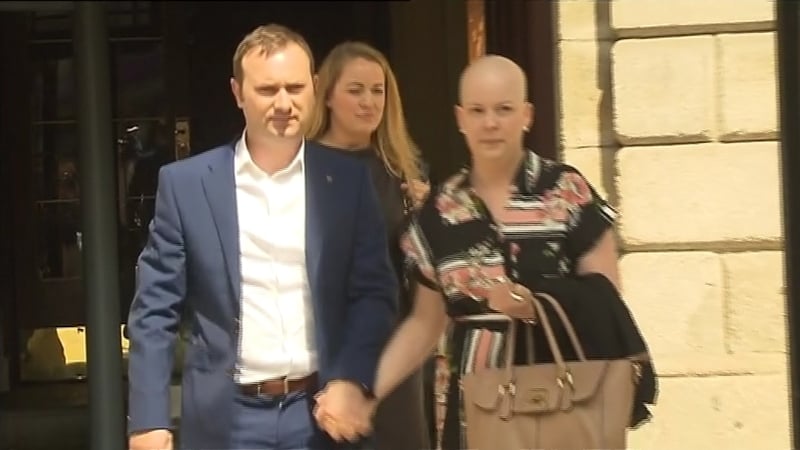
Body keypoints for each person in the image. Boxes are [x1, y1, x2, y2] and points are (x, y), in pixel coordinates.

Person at [314, 54, 656, 449]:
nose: (490, 122)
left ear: (526, 115)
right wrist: (366, 393)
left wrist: (537, 304)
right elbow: (424, 325)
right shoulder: (440, 210)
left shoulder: (565, 192)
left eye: (504, 110)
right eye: (477, 111)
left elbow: (607, 297)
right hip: (475, 414)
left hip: (566, 407)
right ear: (460, 119)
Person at [126, 24, 398, 450]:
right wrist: (147, 419)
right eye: (268, 90)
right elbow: (154, 310)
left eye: (294, 87)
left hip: (320, 411)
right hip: (227, 418)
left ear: (314, 87)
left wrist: (352, 377)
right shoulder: (187, 185)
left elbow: (375, 293)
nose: (284, 103)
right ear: (238, 93)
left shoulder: (348, 182)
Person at [306, 41, 434, 450]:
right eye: (355, 90)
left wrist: (426, 218)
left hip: (392, 346)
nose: (368, 102)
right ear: (327, 95)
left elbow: (421, 272)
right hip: (320, 341)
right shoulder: (300, 166)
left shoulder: (403, 169)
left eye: (377, 91)